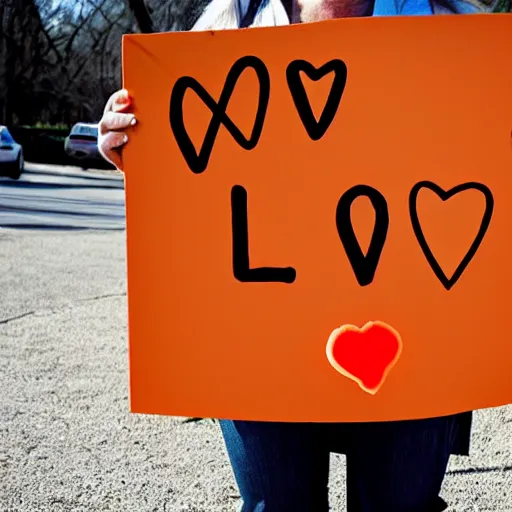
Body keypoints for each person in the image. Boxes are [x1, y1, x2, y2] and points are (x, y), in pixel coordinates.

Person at [99, 0, 509, 508]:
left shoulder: (457, 32)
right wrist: (134, 145)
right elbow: (194, 179)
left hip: (414, 337)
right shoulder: (228, 23)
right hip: (257, 339)